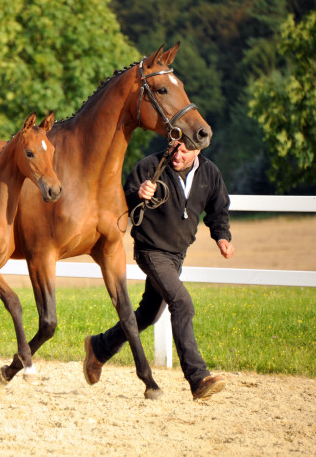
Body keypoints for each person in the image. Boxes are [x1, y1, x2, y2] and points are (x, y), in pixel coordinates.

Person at [83, 140, 235, 400]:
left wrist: (222, 237)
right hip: (151, 250)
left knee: (148, 314)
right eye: (174, 148)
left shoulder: (209, 173)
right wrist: (137, 194)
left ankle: (99, 347)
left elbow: (218, 209)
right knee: (182, 303)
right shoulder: (151, 166)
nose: (178, 154)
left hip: (177, 255)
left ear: (198, 150)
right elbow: (120, 201)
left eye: (185, 150)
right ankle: (198, 378)